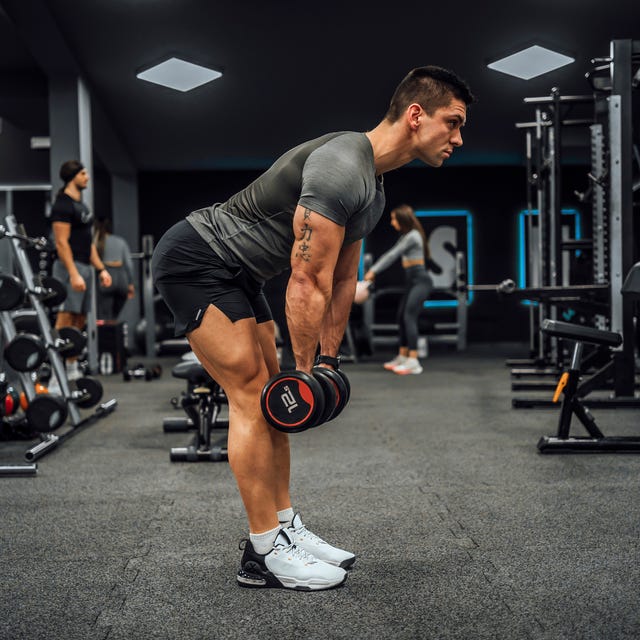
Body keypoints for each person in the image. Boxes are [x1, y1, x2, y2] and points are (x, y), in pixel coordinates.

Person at [151, 66, 474, 591]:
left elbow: (343, 279)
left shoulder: (373, 189)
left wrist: (327, 363)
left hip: (242, 273)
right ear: (416, 115)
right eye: (453, 123)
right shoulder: (342, 167)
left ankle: (284, 527)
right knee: (255, 396)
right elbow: (305, 280)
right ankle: (262, 552)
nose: (459, 138)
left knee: (269, 402)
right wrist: (304, 376)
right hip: (197, 260)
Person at [50, 161, 112, 382]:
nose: (87, 177)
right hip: (69, 266)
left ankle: (71, 365)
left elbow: (89, 244)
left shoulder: (82, 206)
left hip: (85, 266)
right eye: (83, 173)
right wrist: (73, 272)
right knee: (66, 317)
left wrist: (101, 269)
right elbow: (61, 243)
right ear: (72, 176)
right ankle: (56, 372)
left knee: (80, 319)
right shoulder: (62, 205)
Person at [364, 204, 433, 375]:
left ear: (403, 220)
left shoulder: (413, 236)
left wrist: (374, 270)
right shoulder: (406, 236)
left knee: (409, 317)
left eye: (394, 219)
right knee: (401, 317)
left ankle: (413, 361)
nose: (392, 223)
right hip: (412, 281)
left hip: (421, 281)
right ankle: (403, 356)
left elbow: (392, 255)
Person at [93, 217, 135, 320]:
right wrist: (131, 284)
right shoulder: (121, 242)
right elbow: (129, 265)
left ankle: (107, 334)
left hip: (106, 278)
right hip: (122, 280)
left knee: (105, 316)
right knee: (115, 316)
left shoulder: (96, 242)